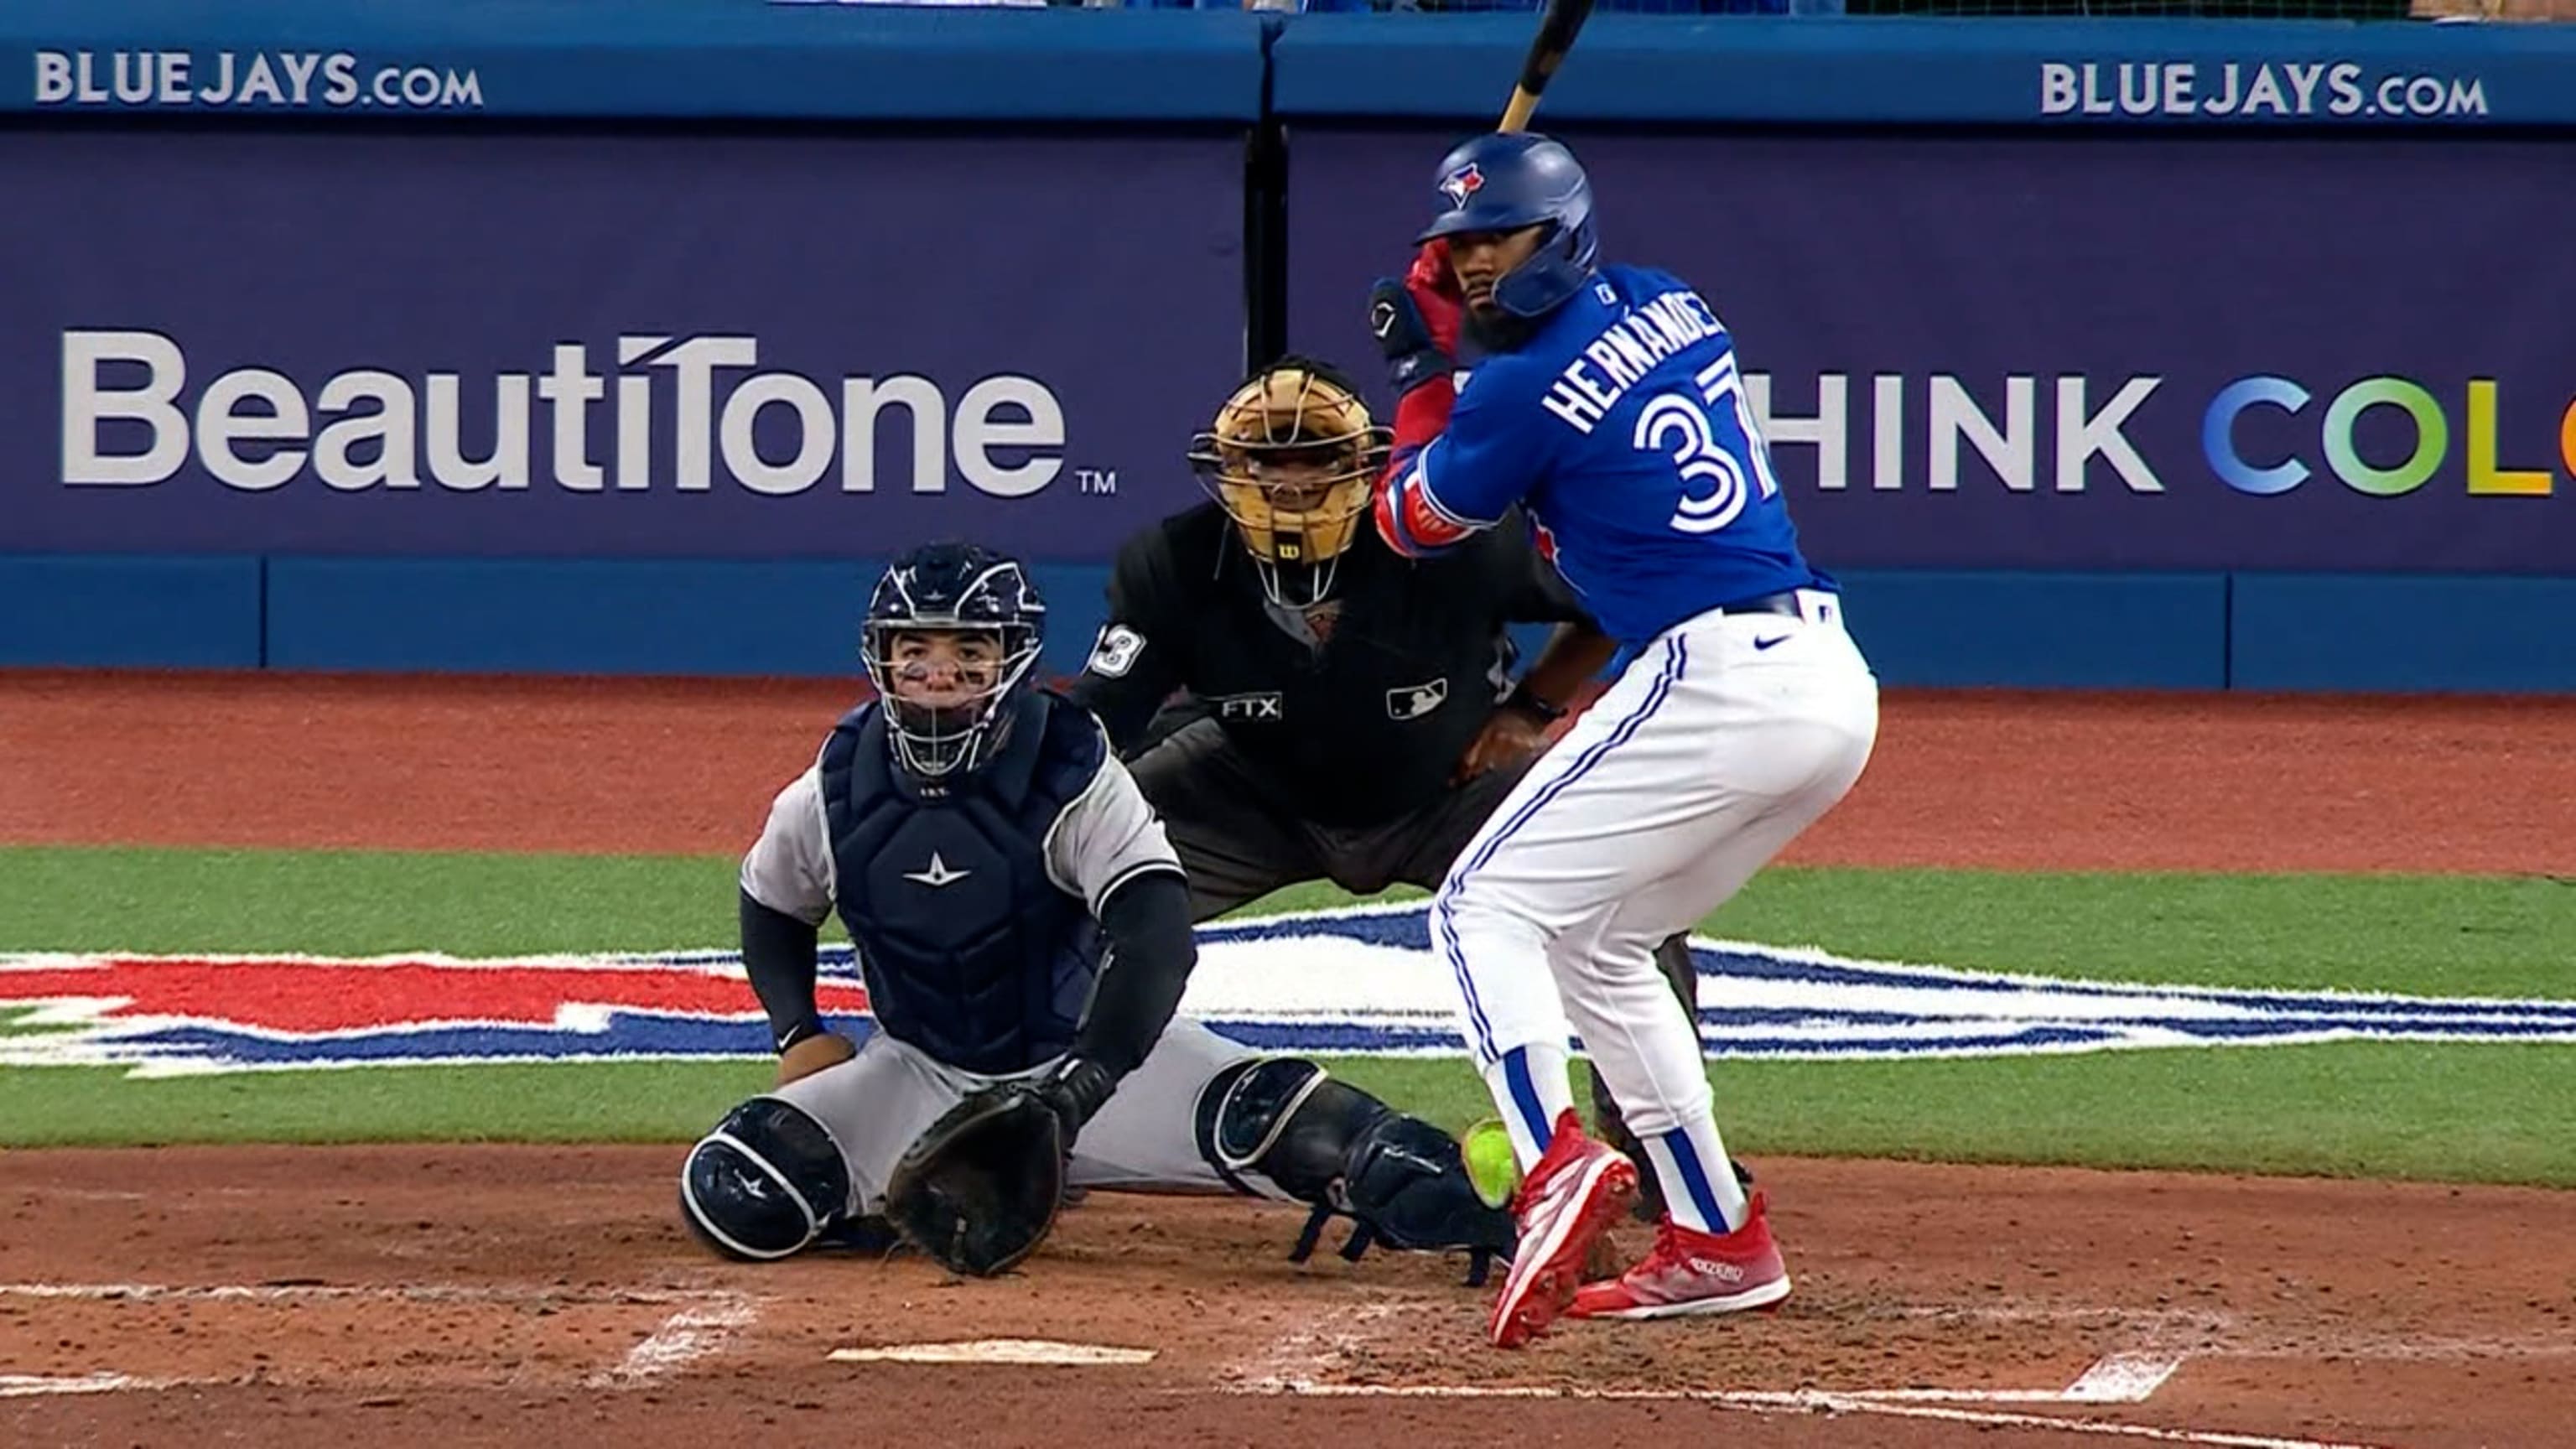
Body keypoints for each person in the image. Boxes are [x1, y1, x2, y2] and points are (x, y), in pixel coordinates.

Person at [1367, 132, 1882, 1347]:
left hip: (1718, 678)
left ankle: (1550, 1164)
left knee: (1476, 908)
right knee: (1604, 941)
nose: (1478, 264)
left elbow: (1412, 521)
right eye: (1459, 247)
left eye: (1499, 238)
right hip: (1825, 684)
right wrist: (1466, 349)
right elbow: (1557, 395)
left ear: (1562, 230)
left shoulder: (1514, 390)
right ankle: (1717, 1236)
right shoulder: (1670, 300)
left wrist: (1419, 373)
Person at [675, 540, 1513, 1279]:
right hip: (920, 1070)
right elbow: (774, 902)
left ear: (1014, 660)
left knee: (1320, 1132)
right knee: (739, 1190)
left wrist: (1080, 1088)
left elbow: (1156, 938)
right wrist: (797, 1029)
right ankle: (939, 1184)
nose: (939, 673)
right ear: (881, 659)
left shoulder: (1074, 771)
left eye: (970, 650)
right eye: (915, 650)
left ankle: (1527, 1215)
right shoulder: (838, 783)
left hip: (1093, 1067)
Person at [1065, 356, 1728, 1226]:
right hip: (1252, 792)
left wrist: (1533, 708)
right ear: (1229, 470)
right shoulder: (1174, 563)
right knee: (1061, 887)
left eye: (1315, 460)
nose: (1290, 484)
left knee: (1624, 895)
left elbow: (1607, 598)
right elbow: (1096, 729)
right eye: (1268, 462)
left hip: (1450, 789)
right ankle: (1035, 1122)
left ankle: (1653, 1153)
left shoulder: (1455, 543)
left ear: (1367, 464)